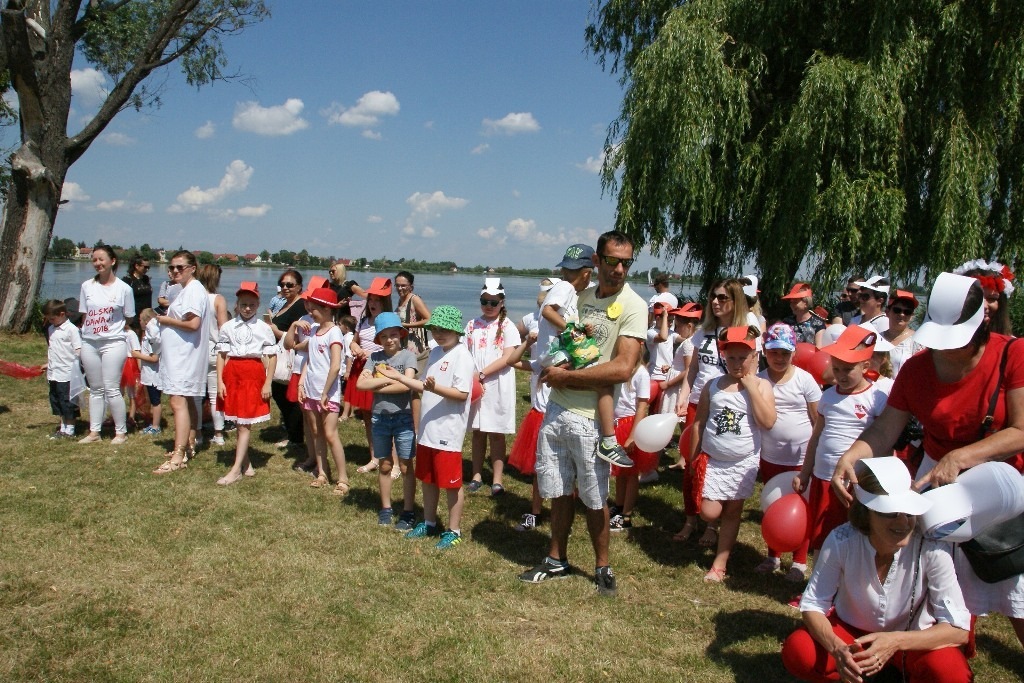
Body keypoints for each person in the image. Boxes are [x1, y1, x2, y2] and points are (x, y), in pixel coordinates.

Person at [832, 272, 1024, 647]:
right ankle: (934, 654)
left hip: (1001, 488)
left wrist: (961, 457)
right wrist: (853, 455)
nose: (944, 349)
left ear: (980, 323)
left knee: (1013, 585)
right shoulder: (917, 369)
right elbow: (885, 429)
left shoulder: (1012, 354)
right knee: (936, 579)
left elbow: (1020, 431)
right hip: (935, 486)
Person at [518, 230, 646, 597]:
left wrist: (567, 377)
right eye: (612, 261)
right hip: (557, 408)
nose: (619, 269)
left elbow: (623, 368)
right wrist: (552, 363)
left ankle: (602, 566)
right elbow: (562, 336)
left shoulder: (635, 306)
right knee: (558, 491)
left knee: (594, 497)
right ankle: (556, 558)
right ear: (597, 261)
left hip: (592, 417)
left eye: (626, 263)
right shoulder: (581, 297)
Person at [782, 458, 972, 682]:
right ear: (866, 512)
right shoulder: (841, 540)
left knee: (950, 671)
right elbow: (813, 604)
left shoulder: (932, 546)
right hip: (853, 637)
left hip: (911, 642)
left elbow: (958, 629)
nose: (903, 522)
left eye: (909, 512)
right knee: (800, 651)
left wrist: (895, 642)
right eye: (890, 513)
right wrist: (837, 649)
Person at [507, 249, 595, 531]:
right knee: (548, 461)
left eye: (570, 270)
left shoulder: (577, 293)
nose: (566, 274)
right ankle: (546, 509)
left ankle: (565, 506)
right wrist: (574, 331)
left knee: (563, 459)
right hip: (555, 362)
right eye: (566, 270)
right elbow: (547, 311)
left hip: (558, 363)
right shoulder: (565, 287)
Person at [689, 326, 776, 581]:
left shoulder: (762, 386)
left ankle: (720, 562)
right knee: (709, 512)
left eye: (743, 357)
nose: (737, 363)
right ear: (723, 357)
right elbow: (699, 423)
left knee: (732, 512)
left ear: (754, 357)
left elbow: (767, 422)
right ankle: (711, 527)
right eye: (731, 357)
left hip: (742, 461)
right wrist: (693, 457)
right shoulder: (713, 385)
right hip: (714, 460)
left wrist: (751, 387)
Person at [382, 305, 473, 549]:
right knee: (428, 479)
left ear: (456, 331)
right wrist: (400, 377)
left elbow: (462, 394)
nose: (439, 334)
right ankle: (430, 522)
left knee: (451, 484)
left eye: (445, 330)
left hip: (448, 431)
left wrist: (435, 388)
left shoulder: (462, 356)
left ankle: (454, 530)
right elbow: (424, 385)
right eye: (435, 329)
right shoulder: (435, 352)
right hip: (427, 430)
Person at [795, 325, 888, 555]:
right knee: (822, 536)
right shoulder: (828, 396)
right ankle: (820, 575)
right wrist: (805, 473)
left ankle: (849, 575)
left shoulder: (876, 397)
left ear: (865, 366)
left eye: (848, 369)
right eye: (836, 369)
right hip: (823, 477)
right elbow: (816, 436)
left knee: (855, 537)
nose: (841, 375)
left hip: (856, 482)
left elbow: (884, 440)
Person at [677, 278, 751, 545]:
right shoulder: (704, 331)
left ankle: (712, 524)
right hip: (697, 402)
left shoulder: (746, 331)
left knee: (714, 466)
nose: (715, 302)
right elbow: (693, 369)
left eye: (722, 297)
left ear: (735, 301)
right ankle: (690, 519)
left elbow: (750, 373)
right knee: (691, 462)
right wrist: (683, 396)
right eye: (713, 297)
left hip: (724, 406)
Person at [755, 323, 821, 581]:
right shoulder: (760, 379)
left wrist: (815, 455)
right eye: (774, 352)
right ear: (765, 352)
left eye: (785, 353)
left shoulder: (805, 380)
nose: (779, 358)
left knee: (800, 508)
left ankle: (799, 562)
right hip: (770, 457)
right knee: (773, 504)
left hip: (801, 459)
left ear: (793, 352)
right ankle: (772, 556)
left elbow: (818, 420)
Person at [357, 312, 418, 528]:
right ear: (378, 339)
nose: (389, 340)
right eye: (384, 336)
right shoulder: (374, 358)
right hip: (380, 418)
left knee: (406, 466)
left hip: (403, 418)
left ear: (401, 334)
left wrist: (378, 382)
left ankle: (408, 511)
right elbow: (360, 385)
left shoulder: (408, 356)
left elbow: (407, 385)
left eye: (393, 334)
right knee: (384, 464)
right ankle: (385, 508)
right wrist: (390, 381)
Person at [215, 282, 277, 485]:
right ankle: (246, 462)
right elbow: (221, 355)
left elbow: (272, 356)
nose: (247, 308)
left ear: (258, 304)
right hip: (233, 374)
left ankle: (235, 470)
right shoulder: (228, 327)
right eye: (243, 304)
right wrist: (220, 381)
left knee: (244, 423)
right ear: (237, 304)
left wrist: (268, 382)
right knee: (238, 420)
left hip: (253, 374)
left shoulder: (263, 328)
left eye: (251, 304)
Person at [290, 287, 350, 496]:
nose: (310, 312)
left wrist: (325, 393)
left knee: (330, 434)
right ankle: (322, 472)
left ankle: (343, 478)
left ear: (326, 309)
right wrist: (301, 384)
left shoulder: (334, 333)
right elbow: (310, 360)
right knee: (316, 433)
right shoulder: (315, 331)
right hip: (310, 390)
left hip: (328, 393)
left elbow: (335, 365)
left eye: (314, 308)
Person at [153, 250, 210, 473]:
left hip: (184, 356)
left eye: (180, 267)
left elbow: (194, 323)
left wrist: (167, 320)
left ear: (192, 268)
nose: (175, 271)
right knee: (186, 399)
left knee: (177, 401)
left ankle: (178, 455)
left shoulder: (194, 290)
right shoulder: (186, 289)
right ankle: (189, 443)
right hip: (180, 355)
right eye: (172, 267)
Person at [464, 278, 522, 495]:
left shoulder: (508, 326)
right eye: (484, 301)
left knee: (496, 432)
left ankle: (497, 479)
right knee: (478, 431)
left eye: (493, 302)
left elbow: (508, 357)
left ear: (502, 302)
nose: (488, 306)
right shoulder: (472, 324)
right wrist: (472, 376)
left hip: (497, 384)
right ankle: (476, 474)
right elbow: (465, 352)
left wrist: (483, 373)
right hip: (476, 383)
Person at [78, 245, 136, 445]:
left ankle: (121, 432)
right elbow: (84, 314)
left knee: (112, 388)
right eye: (94, 260)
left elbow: (129, 317)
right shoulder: (87, 286)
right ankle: (94, 431)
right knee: (95, 388)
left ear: (112, 261)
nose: (97, 263)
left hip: (113, 343)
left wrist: (112, 328)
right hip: (89, 343)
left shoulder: (124, 289)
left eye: (101, 259)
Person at [347, 277, 394, 474]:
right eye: (371, 300)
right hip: (362, 369)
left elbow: (392, 347)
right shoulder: (364, 321)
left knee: (384, 415)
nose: (373, 304)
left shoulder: (389, 321)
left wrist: (372, 353)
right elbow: (355, 340)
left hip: (380, 370)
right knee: (367, 416)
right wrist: (354, 346)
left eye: (377, 301)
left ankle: (391, 458)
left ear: (385, 302)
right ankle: (374, 456)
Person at [607, 350, 654, 532]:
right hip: (617, 424)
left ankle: (626, 515)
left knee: (632, 473)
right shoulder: (620, 369)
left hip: (631, 424)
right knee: (620, 471)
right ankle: (619, 506)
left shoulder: (641, 373)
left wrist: (632, 435)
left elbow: (642, 406)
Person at [268, 269, 308, 451]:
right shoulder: (285, 303)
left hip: (291, 356)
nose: (285, 288)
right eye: (282, 284)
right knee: (279, 392)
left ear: (299, 286)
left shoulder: (300, 306)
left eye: (290, 285)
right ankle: (292, 431)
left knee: (288, 396)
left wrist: (275, 330)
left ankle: (296, 436)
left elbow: (299, 334)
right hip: (279, 354)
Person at [196, 264, 230, 447]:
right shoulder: (218, 299)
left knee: (196, 395)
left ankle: (197, 432)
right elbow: (223, 328)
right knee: (215, 394)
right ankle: (218, 433)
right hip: (214, 350)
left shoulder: (195, 298)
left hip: (196, 350)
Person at [42, 299, 82, 439]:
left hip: (67, 372)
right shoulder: (51, 329)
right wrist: (48, 364)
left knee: (67, 401)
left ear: (62, 314)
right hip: (54, 372)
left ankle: (70, 429)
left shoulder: (71, 330)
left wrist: (76, 365)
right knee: (57, 399)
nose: (50, 321)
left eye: (52, 319)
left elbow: (78, 349)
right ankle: (63, 426)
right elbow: (53, 350)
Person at [953, 259, 1015, 335]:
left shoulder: (1012, 342)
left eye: (992, 299)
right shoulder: (943, 340)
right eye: (975, 297)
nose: (984, 305)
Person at [394, 270, 431, 367]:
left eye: (403, 285)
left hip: (413, 345)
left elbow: (430, 320)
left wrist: (407, 325)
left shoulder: (414, 299)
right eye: (397, 285)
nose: (399, 288)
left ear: (411, 286)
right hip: (402, 343)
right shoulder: (401, 300)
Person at [883, 289, 922, 377]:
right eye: (897, 310)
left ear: (911, 316)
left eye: (907, 312)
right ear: (887, 312)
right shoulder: (877, 338)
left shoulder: (917, 342)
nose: (902, 314)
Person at [137, 308, 163, 435]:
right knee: (152, 400)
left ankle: (156, 426)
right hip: (148, 374)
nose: (139, 322)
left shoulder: (152, 337)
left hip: (154, 375)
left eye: (140, 320)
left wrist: (137, 355)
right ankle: (153, 423)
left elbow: (154, 358)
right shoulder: (147, 336)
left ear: (146, 321)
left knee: (155, 401)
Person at [122, 255, 153, 320]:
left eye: (148, 267)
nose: (147, 269)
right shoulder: (128, 280)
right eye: (145, 267)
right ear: (137, 266)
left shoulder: (146, 279)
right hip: (134, 317)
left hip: (147, 317)